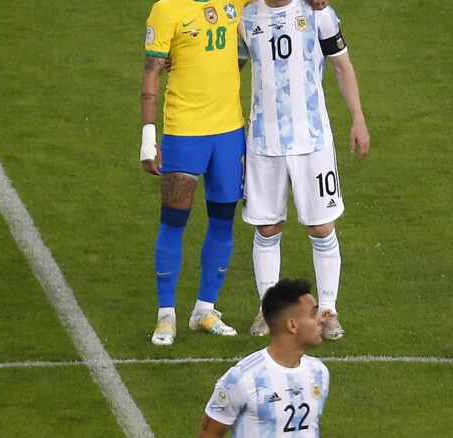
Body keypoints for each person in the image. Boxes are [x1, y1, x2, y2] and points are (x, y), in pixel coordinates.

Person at [141, 0, 331, 346]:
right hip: (183, 129)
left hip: (229, 133)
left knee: (222, 220)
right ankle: (165, 315)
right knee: (173, 221)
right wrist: (147, 136)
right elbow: (152, 68)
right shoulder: (166, 8)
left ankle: (204, 310)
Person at [237, 0, 370, 341]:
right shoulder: (246, 16)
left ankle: (327, 310)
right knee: (268, 227)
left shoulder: (317, 12)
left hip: (312, 139)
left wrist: (358, 118)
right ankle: (268, 310)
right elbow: (228, 67)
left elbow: (342, 66)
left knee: (322, 226)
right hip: (263, 140)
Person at [198, 278, 329, 437]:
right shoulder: (243, 378)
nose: (321, 320)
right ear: (292, 325)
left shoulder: (318, 372)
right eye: (313, 314)